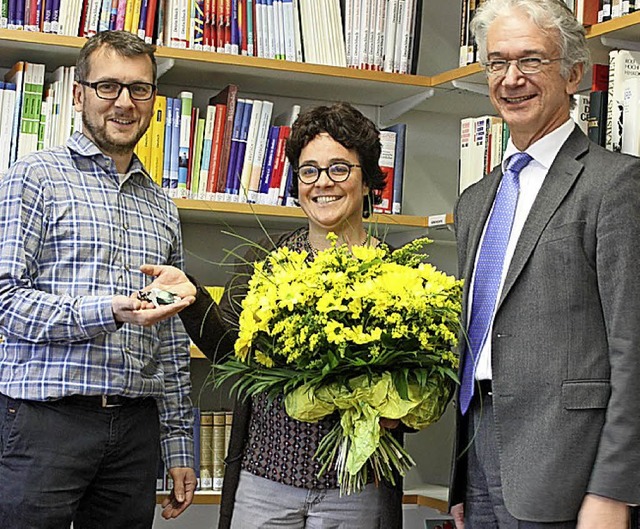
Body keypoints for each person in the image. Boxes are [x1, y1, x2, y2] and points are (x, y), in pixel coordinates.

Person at [140, 102, 406, 529]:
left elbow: (421, 381)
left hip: (356, 489)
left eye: (340, 169)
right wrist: (191, 298)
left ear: (369, 178)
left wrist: (400, 409)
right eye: (309, 170)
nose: (323, 183)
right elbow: (230, 354)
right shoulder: (264, 259)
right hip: (264, 481)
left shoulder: (398, 274)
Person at [450, 1, 640, 528]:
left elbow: (634, 347)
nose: (511, 79)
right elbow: (477, 340)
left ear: (573, 73)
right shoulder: (475, 200)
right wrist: (460, 480)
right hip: (480, 450)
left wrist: (614, 489)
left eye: (531, 60)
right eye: (497, 62)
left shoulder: (616, 185)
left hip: (570, 467)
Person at [0, 31, 197, 529]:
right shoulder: (33, 178)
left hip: (135, 429)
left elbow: (171, 340)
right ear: (78, 93)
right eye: (108, 87)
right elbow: (4, 301)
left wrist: (178, 444)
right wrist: (107, 310)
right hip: (44, 423)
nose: (124, 102)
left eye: (140, 89)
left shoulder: (163, 208)